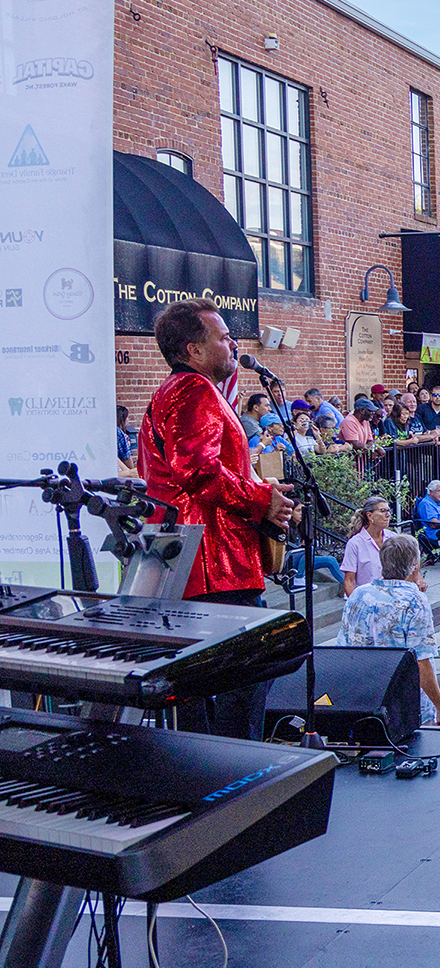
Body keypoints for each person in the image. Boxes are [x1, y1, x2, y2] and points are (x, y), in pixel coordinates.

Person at [140, 299, 299, 738]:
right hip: (212, 562)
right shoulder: (192, 392)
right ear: (193, 350)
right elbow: (197, 470)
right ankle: (236, 779)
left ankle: (206, 776)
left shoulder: (171, 393)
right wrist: (260, 499)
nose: (233, 343)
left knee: (197, 689)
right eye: (223, 336)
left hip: (183, 557)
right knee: (243, 680)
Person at [333, 534, 440, 728]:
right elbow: (422, 662)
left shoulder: (358, 594)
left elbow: (343, 650)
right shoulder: (414, 600)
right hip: (404, 704)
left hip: (363, 696)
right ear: (414, 564)